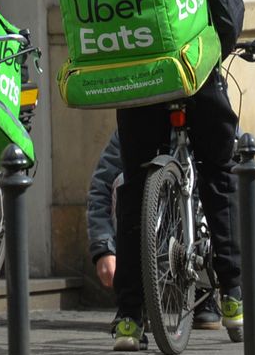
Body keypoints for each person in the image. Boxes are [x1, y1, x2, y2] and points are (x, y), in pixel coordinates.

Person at [106, 0, 245, 352]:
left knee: (137, 192)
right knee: (219, 175)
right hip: (193, 76)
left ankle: (127, 319)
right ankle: (230, 296)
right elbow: (229, 14)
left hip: (137, 82)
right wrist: (212, 56)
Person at [87, 128, 221, 330]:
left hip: (194, 226)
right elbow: (101, 188)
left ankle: (205, 290)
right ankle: (135, 298)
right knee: (124, 183)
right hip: (151, 231)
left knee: (220, 183)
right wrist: (103, 248)